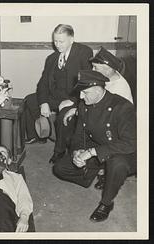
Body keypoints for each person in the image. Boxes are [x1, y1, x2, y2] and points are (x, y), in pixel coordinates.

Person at [53, 70, 136, 222]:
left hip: (123, 151)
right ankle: (99, 174)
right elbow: (79, 135)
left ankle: (106, 203)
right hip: (99, 148)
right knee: (59, 168)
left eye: (85, 93)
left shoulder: (122, 107)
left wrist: (92, 152)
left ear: (99, 89)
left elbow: (131, 143)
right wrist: (77, 152)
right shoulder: (85, 105)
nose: (80, 97)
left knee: (117, 164)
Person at [62, 47, 134, 189]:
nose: (93, 70)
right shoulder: (105, 79)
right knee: (74, 134)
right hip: (98, 122)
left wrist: (91, 151)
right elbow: (92, 101)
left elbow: (109, 116)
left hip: (113, 133)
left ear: (108, 68)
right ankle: (91, 167)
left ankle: (105, 170)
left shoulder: (120, 89)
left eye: (96, 67)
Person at [23, 24, 93, 163]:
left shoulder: (84, 53)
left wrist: (73, 101)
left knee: (63, 116)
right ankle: (37, 135)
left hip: (73, 99)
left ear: (71, 39)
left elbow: (88, 83)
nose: (57, 45)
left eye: (61, 41)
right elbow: (42, 84)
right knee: (29, 100)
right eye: (55, 41)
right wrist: (44, 103)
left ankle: (59, 151)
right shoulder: (51, 58)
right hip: (55, 96)